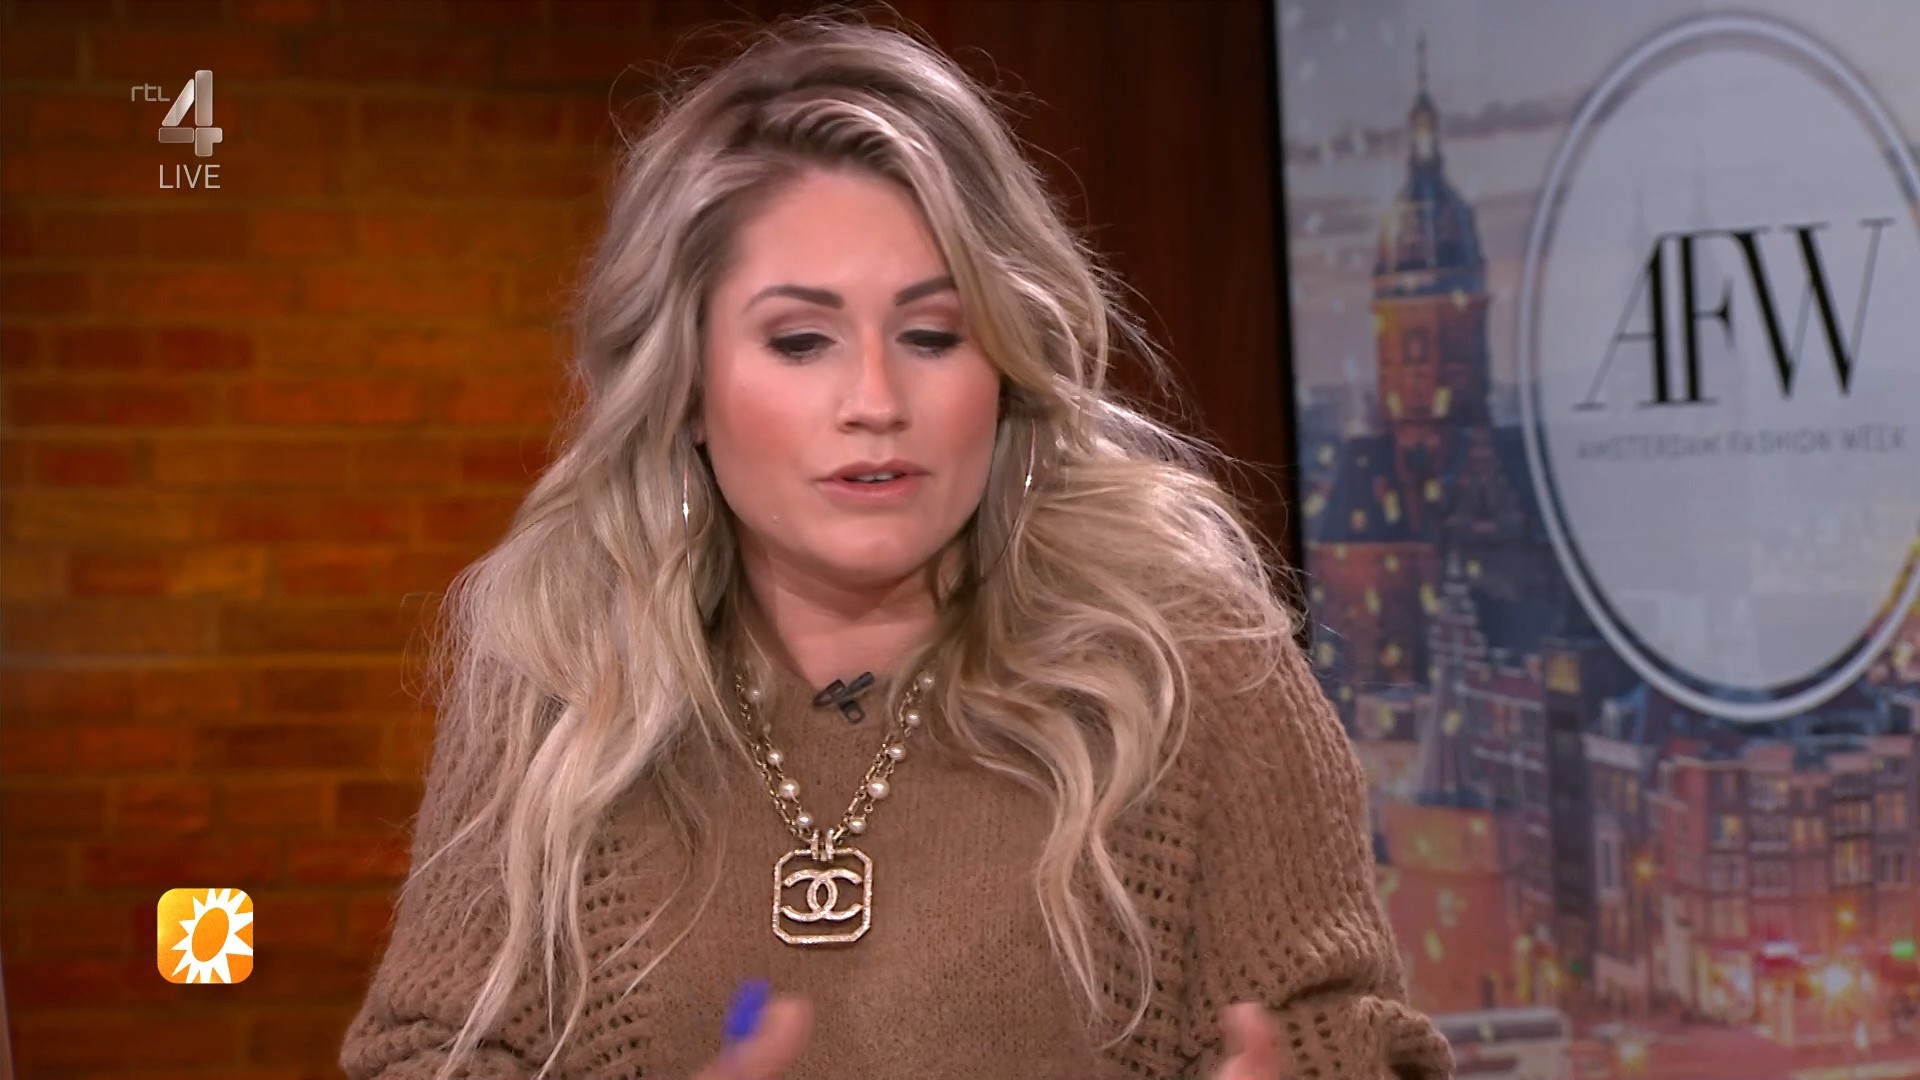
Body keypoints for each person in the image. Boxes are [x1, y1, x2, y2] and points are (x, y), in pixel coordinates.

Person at [338, 14, 1454, 1080]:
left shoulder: (1188, 663)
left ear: (1004, 366)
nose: (875, 400)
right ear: (684, 386)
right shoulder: (560, 677)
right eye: (801, 341)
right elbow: (429, 1052)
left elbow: (1342, 1035)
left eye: (931, 334)